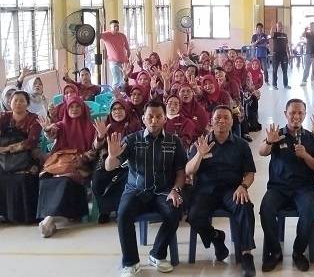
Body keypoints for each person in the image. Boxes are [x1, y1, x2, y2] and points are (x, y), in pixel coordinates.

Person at [105, 100, 187, 277]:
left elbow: (181, 172)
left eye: (158, 116)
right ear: (143, 118)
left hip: (163, 190)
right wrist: (111, 156)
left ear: (165, 118)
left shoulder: (174, 141)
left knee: (175, 211)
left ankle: (157, 254)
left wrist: (176, 190)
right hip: (136, 190)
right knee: (123, 214)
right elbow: (110, 167)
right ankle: (131, 262)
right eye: (150, 116)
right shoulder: (131, 140)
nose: (154, 121)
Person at [186, 106, 257, 277]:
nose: (222, 121)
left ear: (232, 122)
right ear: (211, 121)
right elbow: (189, 171)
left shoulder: (241, 145)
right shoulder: (201, 142)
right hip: (205, 190)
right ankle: (217, 237)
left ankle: (247, 255)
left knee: (245, 207)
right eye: (218, 117)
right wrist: (199, 155)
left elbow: (250, 173)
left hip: (231, 189)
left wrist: (243, 186)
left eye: (226, 118)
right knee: (194, 216)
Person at [259, 99, 314, 272]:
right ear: (285, 114)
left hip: (303, 189)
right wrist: (269, 142)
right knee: (265, 209)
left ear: (304, 114)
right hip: (278, 188)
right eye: (292, 113)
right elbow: (262, 152)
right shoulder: (277, 134)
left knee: (309, 211)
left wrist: (306, 156)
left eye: (300, 113)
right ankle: (275, 251)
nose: (296, 116)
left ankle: (298, 252)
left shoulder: (312, 139)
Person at [37, 96, 96, 237]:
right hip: (60, 163)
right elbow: (52, 133)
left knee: (65, 180)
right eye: (71, 107)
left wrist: (81, 159)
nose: (74, 109)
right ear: (66, 109)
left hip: (81, 165)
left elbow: (95, 150)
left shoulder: (91, 126)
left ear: (83, 109)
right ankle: (49, 218)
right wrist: (47, 130)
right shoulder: (61, 125)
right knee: (47, 179)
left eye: (77, 106)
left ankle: (49, 219)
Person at [91, 99, 141, 224]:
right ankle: (104, 210)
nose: (117, 111)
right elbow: (95, 147)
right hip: (107, 159)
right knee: (97, 179)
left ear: (126, 110)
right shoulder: (106, 124)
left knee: (124, 180)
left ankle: (121, 209)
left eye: (121, 108)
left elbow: (139, 144)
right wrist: (100, 136)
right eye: (114, 109)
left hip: (128, 161)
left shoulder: (134, 124)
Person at [0, 91, 42, 223]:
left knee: (24, 177)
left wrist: (7, 149)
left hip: (27, 157)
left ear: (27, 104)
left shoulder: (34, 119)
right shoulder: (3, 117)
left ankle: (26, 216)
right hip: (4, 159)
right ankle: (4, 214)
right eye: (15, 100)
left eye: (22, 100)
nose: (18, 103)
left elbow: (31, 142)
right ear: (10, 103)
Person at [101, 20, 131, 88]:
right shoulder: (106, 35)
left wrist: (127, 59)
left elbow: (128, 49)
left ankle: (123, 93)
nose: (116, 28)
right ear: (110, 27)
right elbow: (97, 35)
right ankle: (114, 94)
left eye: (117, 26)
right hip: (114, 62)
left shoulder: (122, 36)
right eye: (114, 26)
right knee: (117, 80)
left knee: (124, 79)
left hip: (123, 62)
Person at [270, 21, 291, 90]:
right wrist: (272, 28)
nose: (280, 27)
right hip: (276, 55)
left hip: (284, 55)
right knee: (274, 70)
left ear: (282, 27)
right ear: (277, 27)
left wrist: (289, 54)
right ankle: (274, 85)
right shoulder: (275, 34)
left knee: (285, 71)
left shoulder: (285, 35)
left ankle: (286, 85)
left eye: (281, 26)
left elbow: (287, 45)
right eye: (278, 26)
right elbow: (271, 35)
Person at [301, 22, 314, 86]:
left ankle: (313, 80)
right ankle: (304, 80)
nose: (312, 27)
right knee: (307, 68)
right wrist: (305, 30)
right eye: (311, 26)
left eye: (313, 26)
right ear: (310, 27)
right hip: (308, 53)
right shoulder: (307, 34)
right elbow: (302, 36)